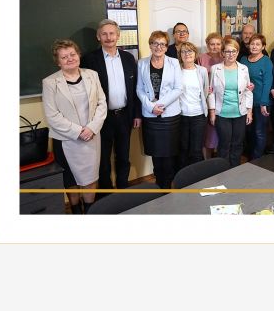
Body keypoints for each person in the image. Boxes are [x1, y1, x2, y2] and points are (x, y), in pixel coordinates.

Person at [42, 39, 107, 214]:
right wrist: (79, 131)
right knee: (70, 180)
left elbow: (102, 103)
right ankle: (76, 211)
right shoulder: (50, 82)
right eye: (64, 57)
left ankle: (90, 212)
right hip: (66, 140)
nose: (70, 59)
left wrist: (91, 128)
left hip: (92, 136)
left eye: (72, 54)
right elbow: (52, 116)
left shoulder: (92, 75)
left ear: (78, 55)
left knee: (90, 177)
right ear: (58, 62)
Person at [80, 19, 142, 191]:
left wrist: (137, 114)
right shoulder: (89, 60)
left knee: (123, 156)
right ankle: (105, 195)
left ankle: (123, 190)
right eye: (104, 34)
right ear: (98, 37)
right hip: (101, 118)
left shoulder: (129, 58)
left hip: (125, 116)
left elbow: (135, 88)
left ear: (118, 35)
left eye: (112, 33)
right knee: (103, 160)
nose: (109, 37)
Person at [136, 31, 183, 189]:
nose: (159, 47)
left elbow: (178, 88)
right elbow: (139, 88)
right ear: (150, 45)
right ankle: (158, 185)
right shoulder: (142, 63)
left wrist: (160, 105)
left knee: (169, 155)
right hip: (150, 116)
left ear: (166, 47)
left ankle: (167, 188)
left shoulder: (174, 63)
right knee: (156, 155)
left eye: (162, 44)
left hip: (170, 116)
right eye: (155, 43)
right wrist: (151, 107)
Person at [208, 38, 253, 167]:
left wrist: (249, 111)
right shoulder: (215, 69)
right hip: (222, 113)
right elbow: (211, 92)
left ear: (238, 52)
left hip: (240, 113)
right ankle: (223, 171)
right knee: (224, 144)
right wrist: (212, 112)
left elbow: (248, 91)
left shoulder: (244, 68)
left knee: (237, 144)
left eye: (234, 51)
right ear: (222, 53)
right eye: (227, 51)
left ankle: (235, 170)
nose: (231, 54)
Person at [240, 34, 273, 159]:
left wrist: (264, 103)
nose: (254, 46)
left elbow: (267, 83)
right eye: (252, 44)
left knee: (259, 131)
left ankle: (257, 159)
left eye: (258, 44)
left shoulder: (266, 61)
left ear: (263, 47)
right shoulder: (243, 59)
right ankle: (250, 156)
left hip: (261, 102)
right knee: (248, 130)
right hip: (245, 102)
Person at [178, 41, 209, 168]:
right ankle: (182, 177)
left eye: (190, 51)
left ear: (195, 54)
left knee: (196, 149)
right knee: (183, 149)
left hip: (199, 115)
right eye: (184, 51)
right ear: (180, 55)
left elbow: (205, 91)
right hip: (181, 116)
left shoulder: (202, 71)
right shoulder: (176, 70)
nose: (187, 54)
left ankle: (196, 177)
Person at [197, 32, 223, 158]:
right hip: (206, 99)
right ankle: (207, 161)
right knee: (208, 133)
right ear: (207, 45)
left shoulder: (225, 57)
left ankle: (219, 159)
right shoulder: (201, 58)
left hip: (221, 99)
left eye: (218, 44)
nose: (215, 47)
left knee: (220, 131)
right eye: (212, 44)